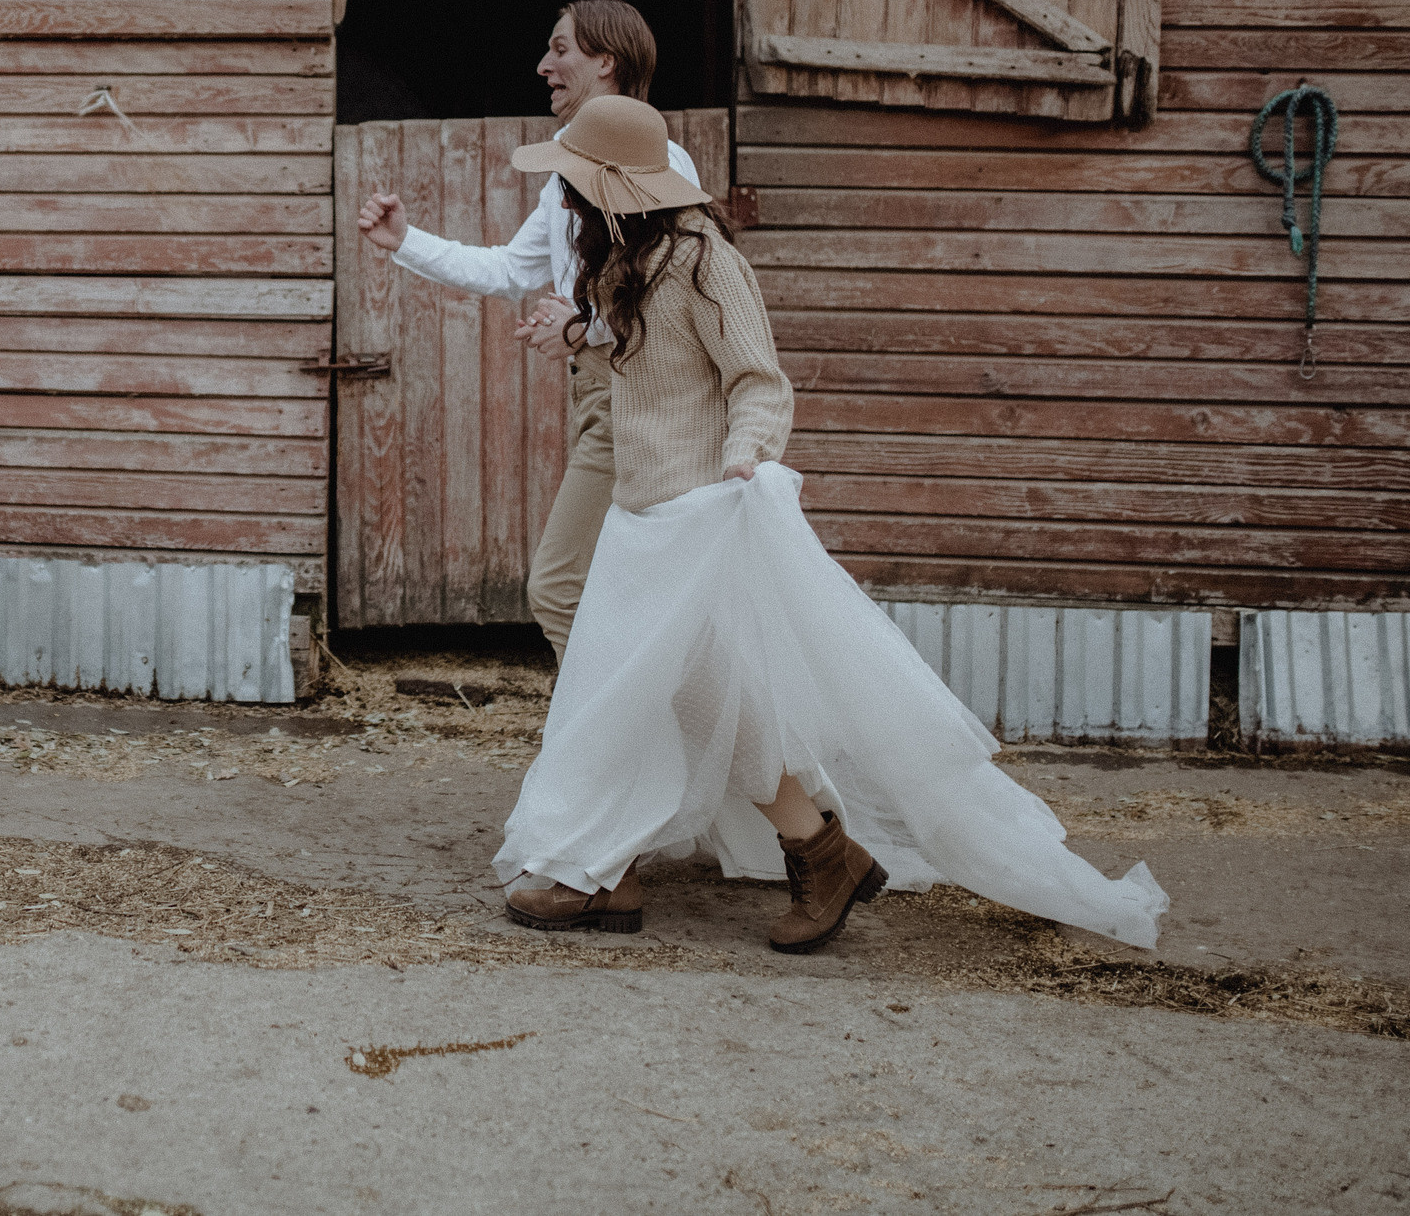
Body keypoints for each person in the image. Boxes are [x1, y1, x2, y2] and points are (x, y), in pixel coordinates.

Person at [493, 93, 1168, 953]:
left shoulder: (703, 261)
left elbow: (758, 380)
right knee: (674, 697)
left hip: (697, 518)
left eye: (575, 187)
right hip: (641, 520)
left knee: (681, 695)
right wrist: (582, 330)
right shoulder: (624, 260)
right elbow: (649, 354)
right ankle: (731, 855)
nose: (565, 201)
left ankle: (781, 853)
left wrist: (748, 454)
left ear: (618, 189)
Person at [357, 0, 700, 663]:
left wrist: (585, 324)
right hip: (598, 398)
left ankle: (614, 742)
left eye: (561, 48)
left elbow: (675, 286)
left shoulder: (665, 162)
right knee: (617, 587)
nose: (545, 65)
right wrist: (405, 240)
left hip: (647, 400)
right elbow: (511, 269)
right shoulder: (566, 170)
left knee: (559, 589)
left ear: (606, 61)